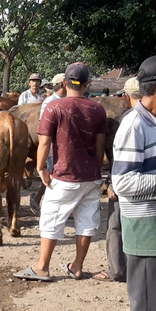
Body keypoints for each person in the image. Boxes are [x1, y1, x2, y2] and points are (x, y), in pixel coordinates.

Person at [14, 63, 107, 281]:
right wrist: (97, 167)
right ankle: (77, 267)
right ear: (86, 84)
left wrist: (40, 168)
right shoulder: (98, 109)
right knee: (86, 221)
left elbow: (44, 143)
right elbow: (100, 144)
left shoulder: (54, 108)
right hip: (91, 176)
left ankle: (42, 267)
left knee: (51, 219)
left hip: (65, 174)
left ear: (64, 83)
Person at [112, 56, 156, 310]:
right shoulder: (134, 124)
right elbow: (124, 183)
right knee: (146, 303)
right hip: (144, 231)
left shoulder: (151, 122)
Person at [92, 77, 141, 283]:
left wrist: (112, 182)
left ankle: (117, 269)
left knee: (115, 224)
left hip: (128, 181)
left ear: (127, 96)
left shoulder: (128, 119)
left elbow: (119, 156)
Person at [29, 73, 66, 214]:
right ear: (63, 84)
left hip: (65, 147)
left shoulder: (68, 100)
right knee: (53, 176)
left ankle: (40, 200)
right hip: (53, 147)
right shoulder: (49, 102)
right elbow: (44, 128)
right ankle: (49, 207)